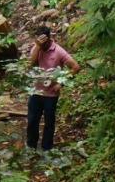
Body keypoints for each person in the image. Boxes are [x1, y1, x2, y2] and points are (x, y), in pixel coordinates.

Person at [25, 26, 80, 156]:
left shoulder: (59, 51)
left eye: (43, 42)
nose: (41, 44)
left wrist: (61, 83)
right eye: (39, 41)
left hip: (51, 94)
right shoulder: (37, 48)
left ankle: (46, 148)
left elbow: (75, 67)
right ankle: (31, 146)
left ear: (49, 38)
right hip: (36, 91)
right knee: (32, 120)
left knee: (49, 121)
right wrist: (38, 46)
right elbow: (28, 65)